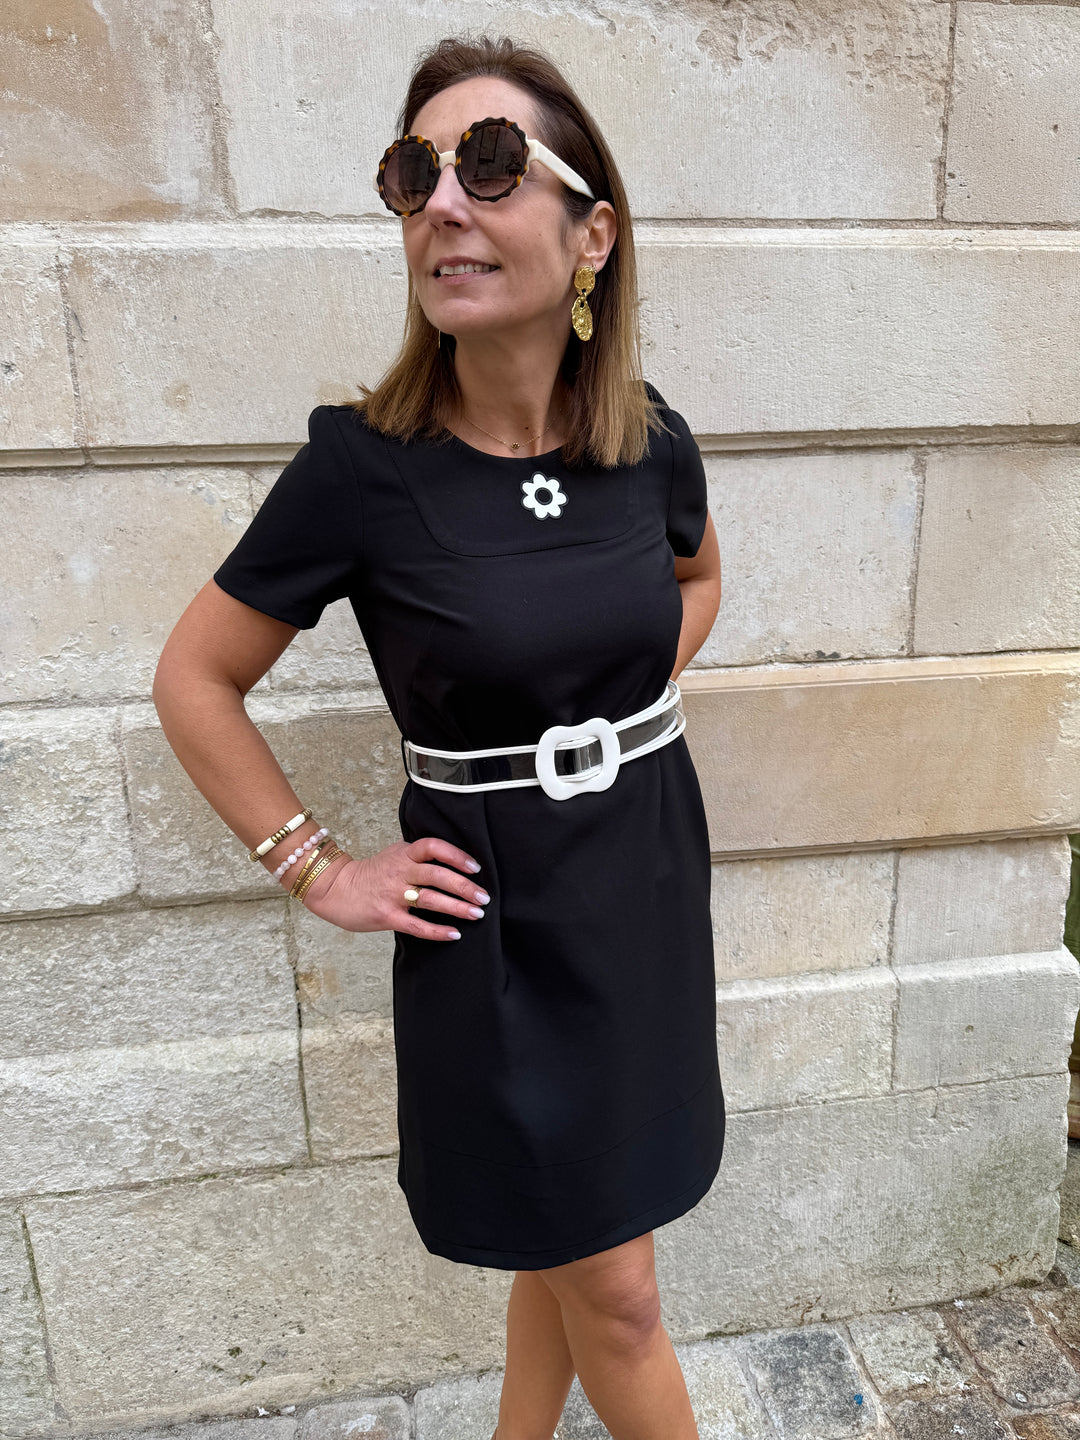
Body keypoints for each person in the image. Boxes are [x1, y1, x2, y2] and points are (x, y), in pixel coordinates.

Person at [153, 33, 725, 1440]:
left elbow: (698, 577)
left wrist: (609, 707)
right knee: (621, 1294)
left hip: (643, 884)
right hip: (497, 923)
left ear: (593, 234)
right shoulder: (361, 469)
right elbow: (194, 678)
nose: (444, 204)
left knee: (575, 1239)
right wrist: (319, 867)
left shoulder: (647, 438)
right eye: (416, 175)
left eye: (490, 166)